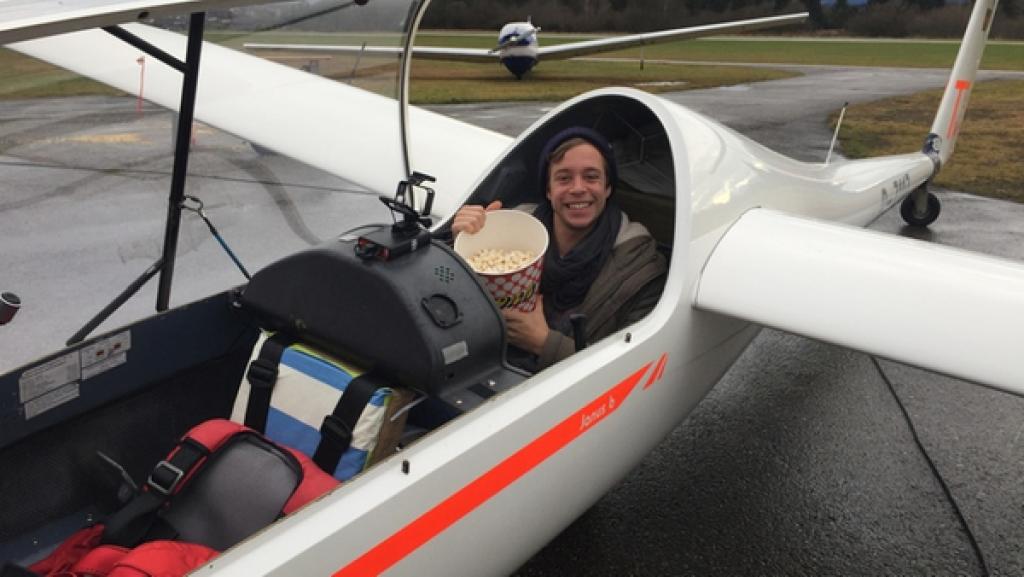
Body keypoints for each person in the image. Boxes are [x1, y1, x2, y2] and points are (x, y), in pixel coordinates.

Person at [452, 127, 667, 372]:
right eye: (564, 178)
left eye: (591, 177)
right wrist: (463, 248)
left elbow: (634, 369)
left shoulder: (641, 268)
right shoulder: (510, 233)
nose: (578, 188)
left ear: (607, 188)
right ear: (548, 190)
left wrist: (544, 343)